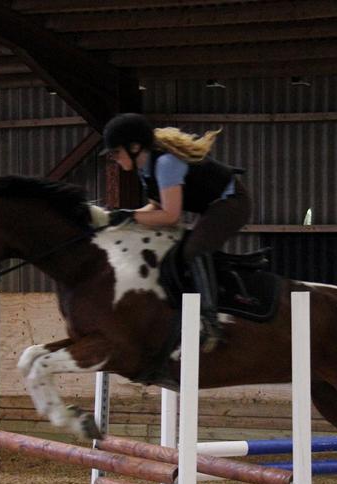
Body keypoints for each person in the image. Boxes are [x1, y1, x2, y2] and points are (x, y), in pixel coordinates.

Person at [100, 112, 251, 352]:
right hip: (212, 206)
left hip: (232, 203)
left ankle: (211, 323)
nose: (114, 159)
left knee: (193, 250)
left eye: (115, 153)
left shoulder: (166, 164)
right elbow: (155, 207)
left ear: (135, 147)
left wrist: (129, 216)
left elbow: (171, 216)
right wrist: (125, 216)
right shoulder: (145, 168)